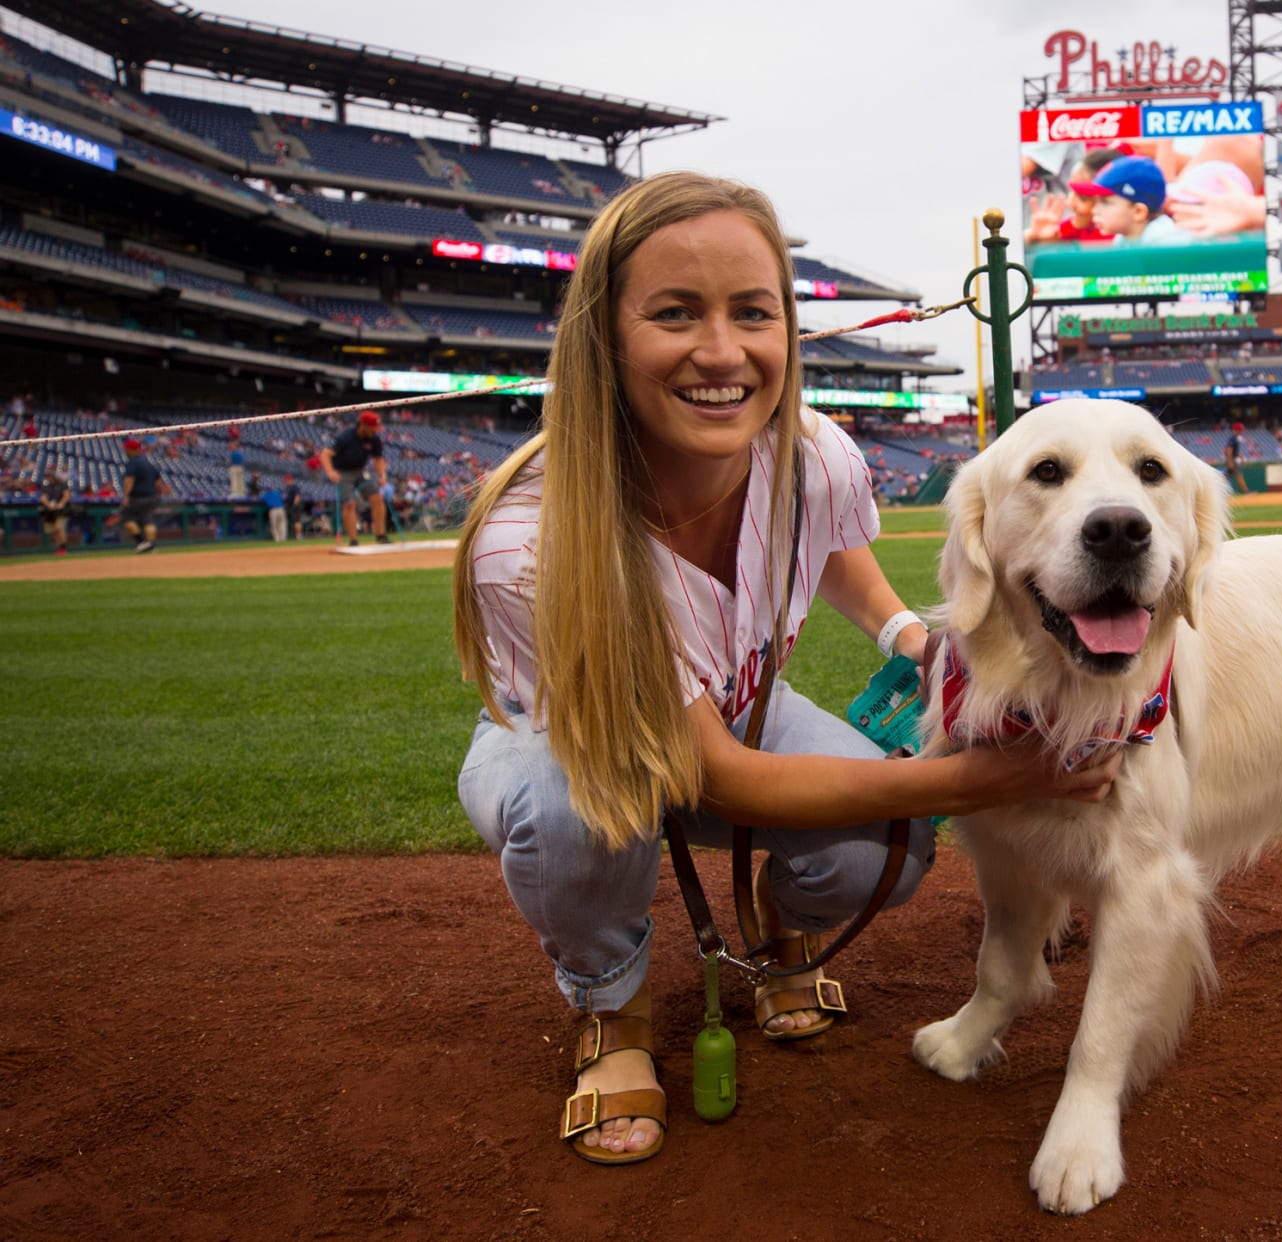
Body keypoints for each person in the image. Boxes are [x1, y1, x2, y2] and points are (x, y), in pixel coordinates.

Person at [451, 171, 1121, 1167]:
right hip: (564, 739)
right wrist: (989, 777)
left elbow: (831, 546)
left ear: (788, 330)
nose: (722, 352)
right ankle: (614, 1009)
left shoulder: (814, 453)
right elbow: (715, 775)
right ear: (604, 335)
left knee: (883, 854)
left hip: (740, 706)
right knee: (575, 812)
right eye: (675, 313)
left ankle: (780, 925)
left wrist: (902, 631)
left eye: (752, 313)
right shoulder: (529, 542)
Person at [1076, 157, 1185, 246]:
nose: (1094, 210)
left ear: (1138, 211)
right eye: (1096, 201)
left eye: (1105, 202)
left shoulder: (1164, 241)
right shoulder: (1123, 237)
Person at [324, 411, 390, 546]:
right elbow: (325, 454)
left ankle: (381, 536)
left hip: (361, 471)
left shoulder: (374, 439)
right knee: (349, 504)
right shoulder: (345, 437)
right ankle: (353, 540)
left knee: (377, 498)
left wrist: (382, 476)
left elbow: (378, 459)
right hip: (343, 472)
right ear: (363, 426)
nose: (374, 432)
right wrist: (331, 472)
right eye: (372, 428)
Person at [118, 438, 162, 553]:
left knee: (127, 520)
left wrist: (125, 496)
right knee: (148, 521)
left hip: (136, 497)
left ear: (132, 450)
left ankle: (142, 543)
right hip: (151, 496)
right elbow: (158, 481)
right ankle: (150, 544)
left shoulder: (133, 462)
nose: (125, 451)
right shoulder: (147, 462)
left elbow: (129, 480)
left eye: (127, 449)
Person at [37, 465, 72, 555]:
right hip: (50, 512)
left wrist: (61, 504)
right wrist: (49, 505)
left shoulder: (62, 484)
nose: (49, 478)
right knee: (54, 531)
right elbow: (43, 498)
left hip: (62, 511)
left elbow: (66, 495)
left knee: (59, 528)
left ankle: (63, 548)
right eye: (47, 477)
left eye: (50, 476)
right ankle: (60, 547)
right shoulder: (46, 487)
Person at [261, 477, 289, 541]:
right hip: (281, 509)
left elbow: (263, 501)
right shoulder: (277, 493)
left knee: (274, 525)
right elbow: (283, 499)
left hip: (273, 510)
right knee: (282, 524)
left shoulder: (266, 495)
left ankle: (277, 538)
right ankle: (283, 538)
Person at [227, 428, 248, 499]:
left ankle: (238, 493)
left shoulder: (238, 450)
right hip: (237, 466)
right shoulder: (238, 451)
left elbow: (235, 443)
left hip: (237, 467)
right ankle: (238, 493)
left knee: (237, 480)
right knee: (237, 480)